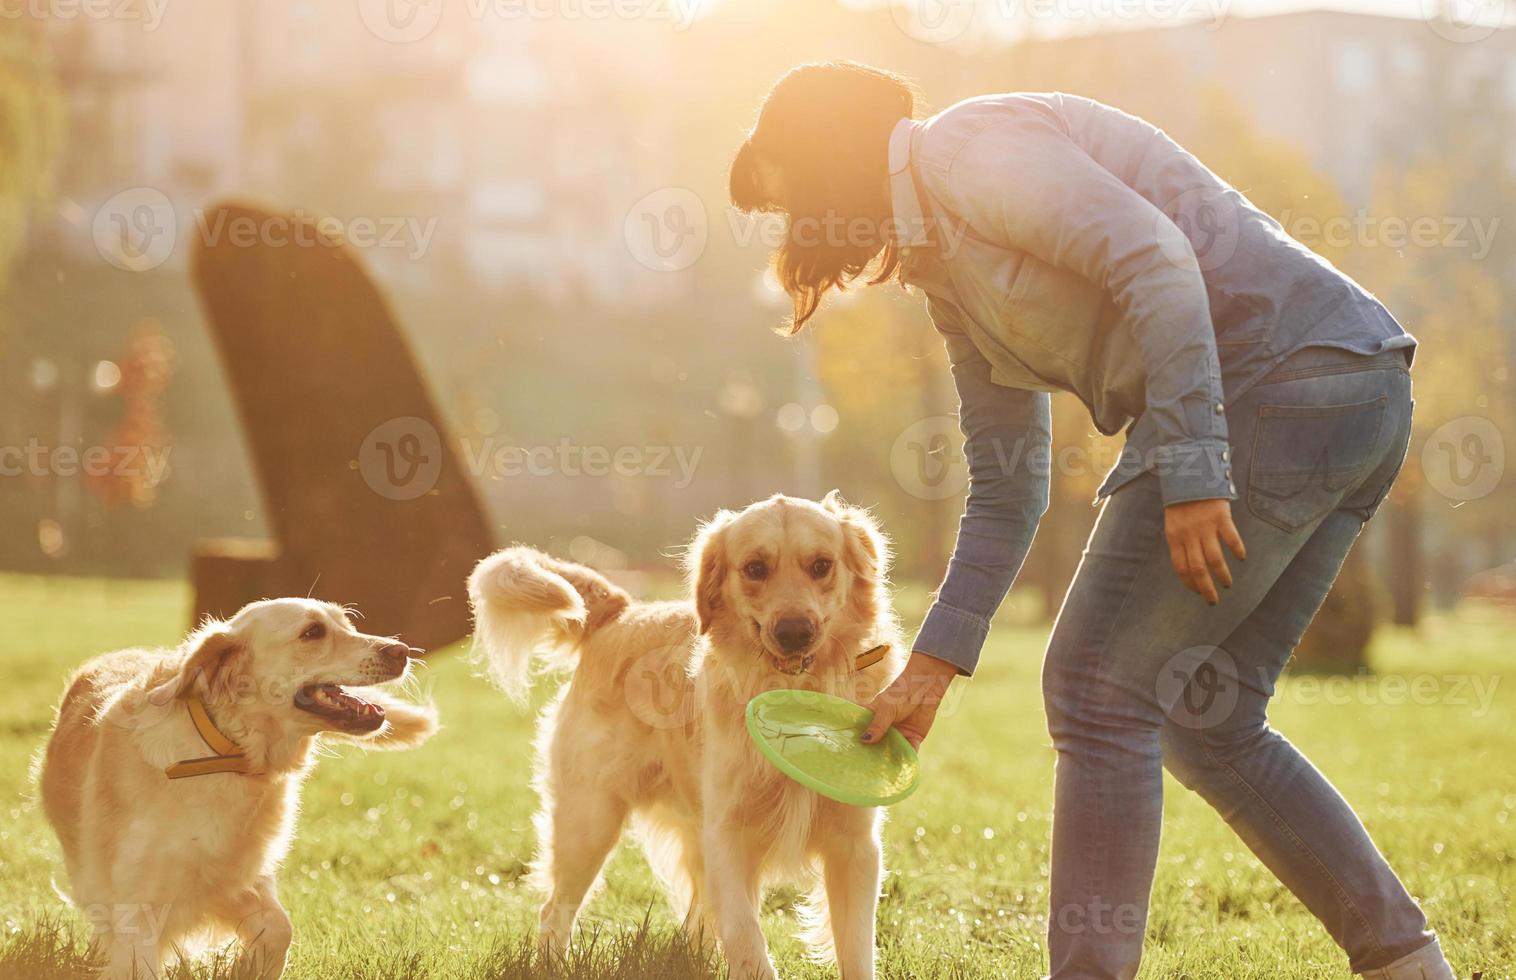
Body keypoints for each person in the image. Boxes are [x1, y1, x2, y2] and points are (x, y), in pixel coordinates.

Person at [728, 61, 1453, 980]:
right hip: (1348, 391)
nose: (806, 239)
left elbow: (1153, 256)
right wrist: (933, 665)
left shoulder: (968, 150)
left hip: (1280, 383)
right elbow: (1009, 482)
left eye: (798, 204)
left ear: (831, 165)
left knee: (1095, 687)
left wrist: (1192, 466)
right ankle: (1409, 965)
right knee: (1208, 714)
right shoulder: (945, 275)